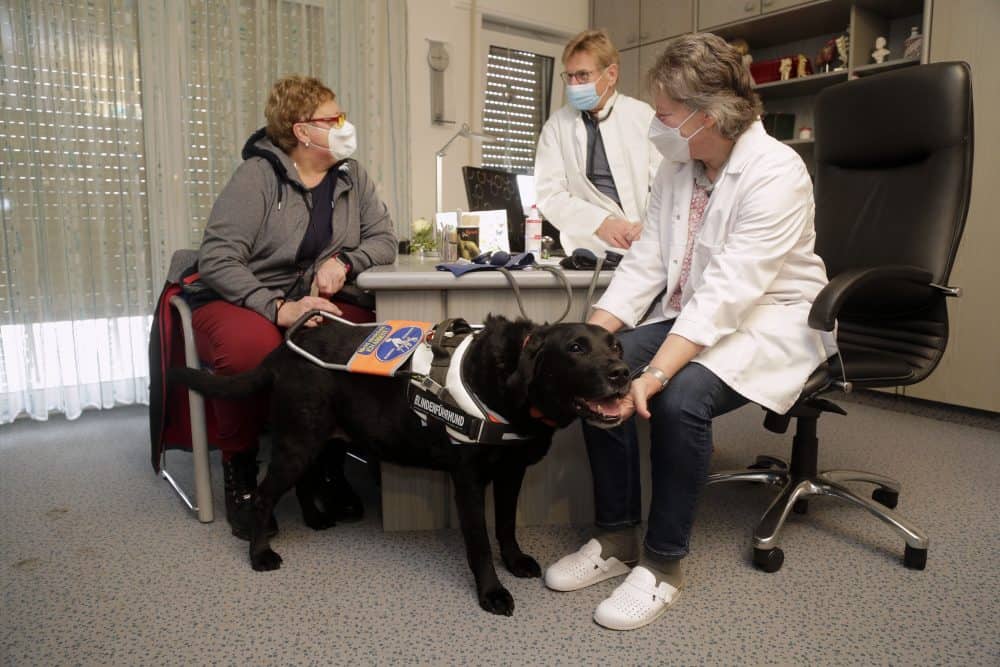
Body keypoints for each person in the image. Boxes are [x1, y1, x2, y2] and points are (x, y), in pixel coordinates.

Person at [543, 33, 836, 630]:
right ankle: (617, 536)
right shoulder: (681, 167)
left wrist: (655, 373)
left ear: (710, 117)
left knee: (678, 398)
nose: (656, 124)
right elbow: (647, 262)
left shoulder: (776, 172)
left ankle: (663, 563)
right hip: (696, 312)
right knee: (602, 367)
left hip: (770, 319)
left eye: (667, 114)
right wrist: (584, 337)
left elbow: (732, 289)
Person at [182, 74, 397, 539]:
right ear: (302, 130)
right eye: (333, 118)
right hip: (241, 295)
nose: (345, 125)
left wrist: (346, 260)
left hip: (315, 297)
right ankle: (241, 475)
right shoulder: (257, 176)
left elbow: (384, 239)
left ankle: (326, 464)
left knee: (362, 342)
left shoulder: (351, 175)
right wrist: (276, 307)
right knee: (251, 352)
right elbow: (218, 259)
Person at [534, 29, 661, 255]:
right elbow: (550, 195)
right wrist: (600, 223)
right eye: (569, 76)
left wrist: (649, 226)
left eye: (583, 75)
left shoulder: (642, 117)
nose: (573, 84)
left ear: (611, 74)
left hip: (646, 243)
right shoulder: (556, 126)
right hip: (588, 246)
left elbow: (666, 183)